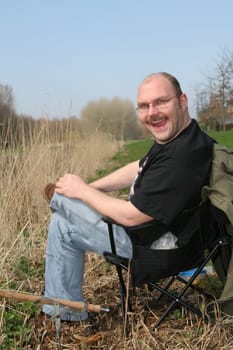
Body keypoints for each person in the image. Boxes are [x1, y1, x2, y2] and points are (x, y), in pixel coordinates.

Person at [43, 72, 214, 321]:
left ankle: (63, 309)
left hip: (150, 247)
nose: (151, 112)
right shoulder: (183, 138)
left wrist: (80, 192)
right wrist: (93, 187)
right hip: (153, 233)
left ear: (182, 101)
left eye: (161, 102)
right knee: (62, 222)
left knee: (64, 208)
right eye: (144, 106)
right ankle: (64, 309)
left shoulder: (182, 157)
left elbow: (131, 216)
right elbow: (139, 167)